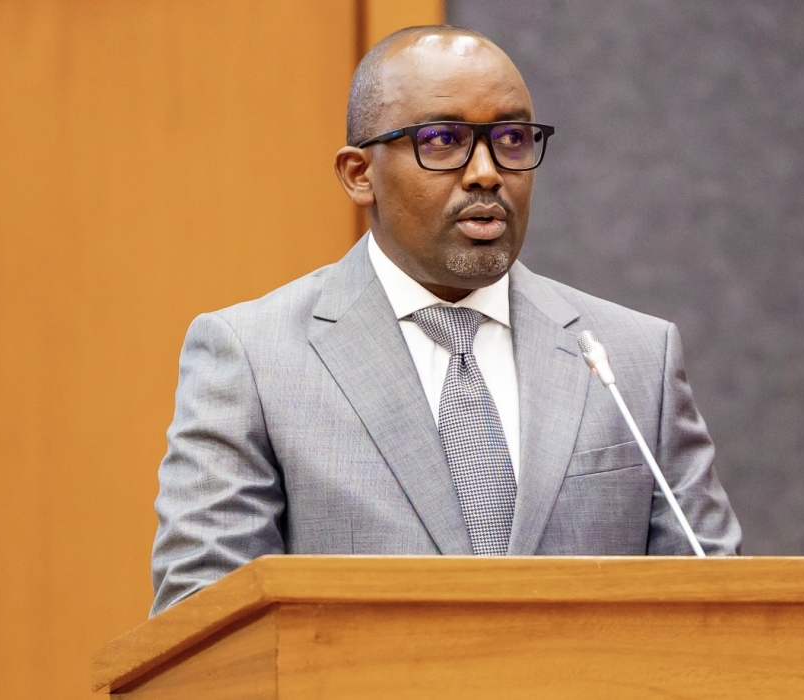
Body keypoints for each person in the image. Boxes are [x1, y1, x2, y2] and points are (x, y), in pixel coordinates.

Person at [150, 25, 741, 616]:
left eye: (511, 139)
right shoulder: (253, 360)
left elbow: (718, 609)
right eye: (441, 139)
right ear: (359, 174)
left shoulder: (636, 358)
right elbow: (203, 621)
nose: (486, 171)